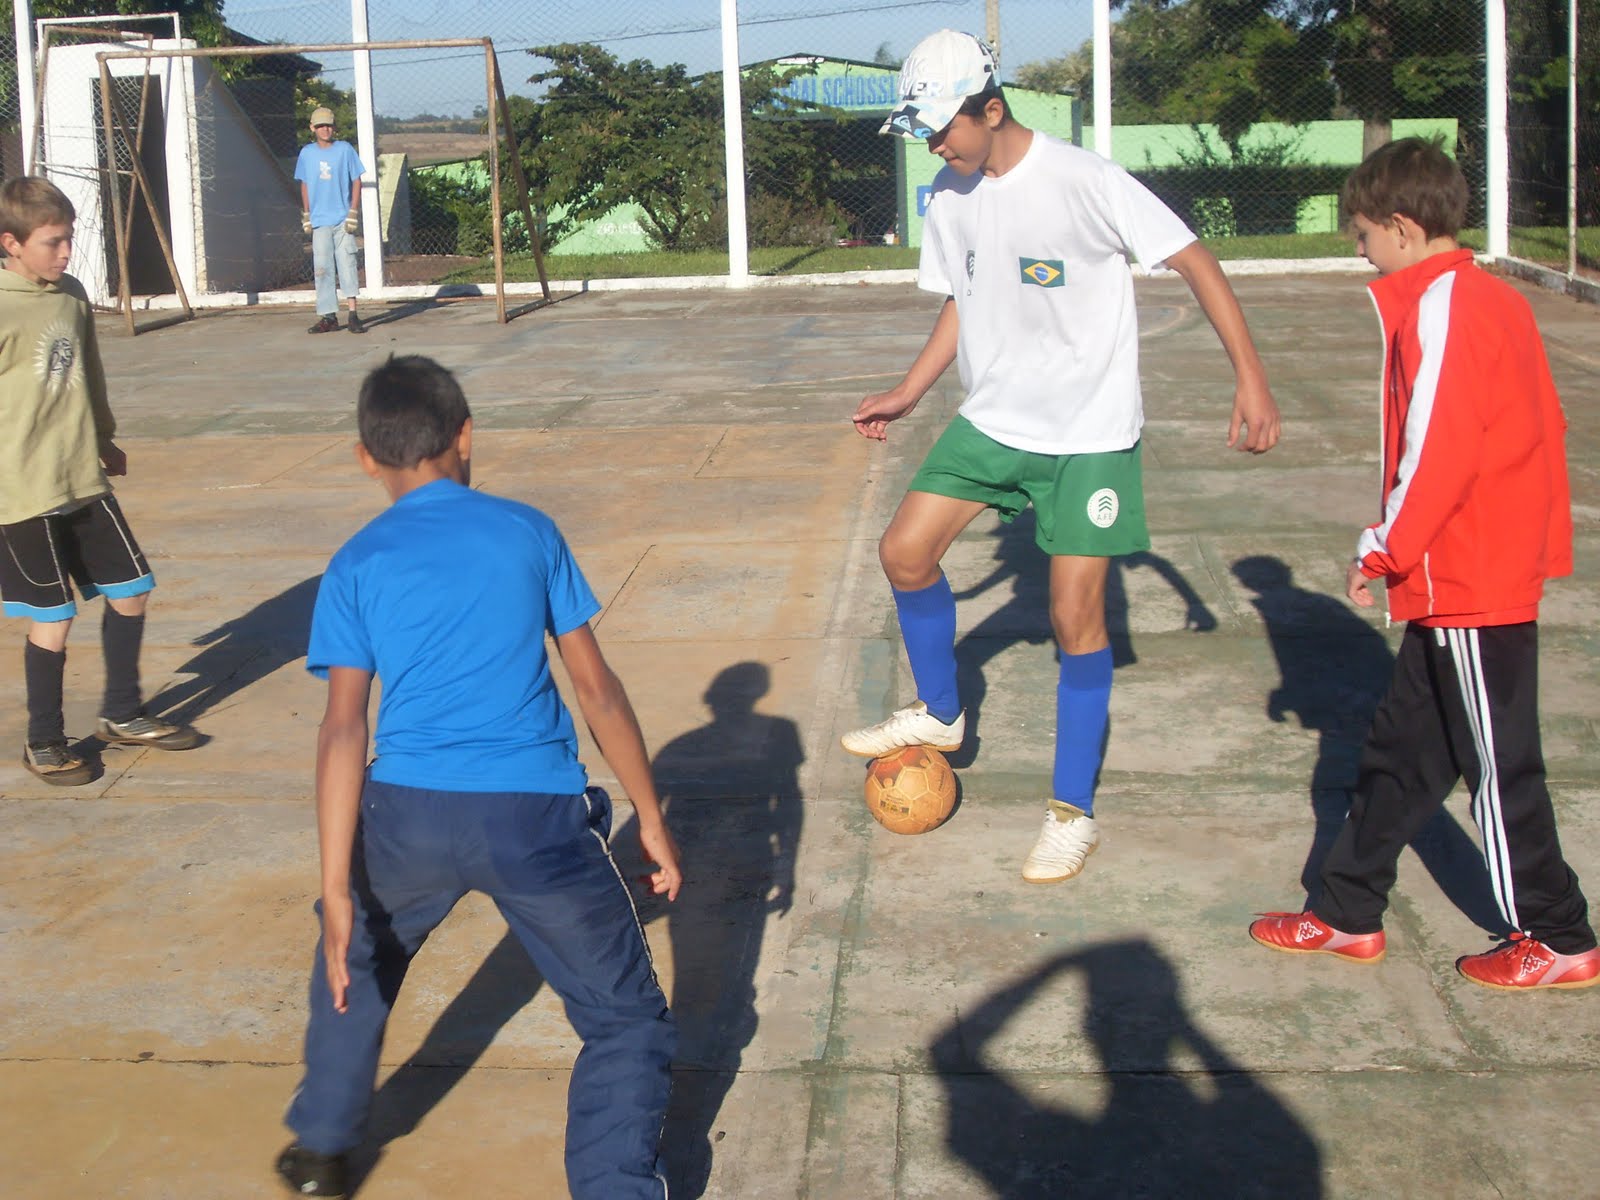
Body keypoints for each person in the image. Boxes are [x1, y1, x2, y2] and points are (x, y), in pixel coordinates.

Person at [843, 30, 1280, 883]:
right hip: (995, 421)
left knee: (1075, 619)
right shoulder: (950, 191)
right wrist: (908, 390)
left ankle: (1070, 812)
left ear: (992, 110)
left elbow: (1195, 260)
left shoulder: (1086, 181)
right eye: (925, 132)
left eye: (943, 129)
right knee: (904, 551)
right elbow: (963, 306)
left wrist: (1251, 380)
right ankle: (941, 714)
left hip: (1088, 436)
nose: (934, 145)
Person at [275, 356, 681, 1198]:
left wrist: (336, 890)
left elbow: (343, 726)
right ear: (466, 436)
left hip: (405, 818)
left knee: (355, 955)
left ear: (364, 457)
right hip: (533, 819)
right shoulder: (528, 530)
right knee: (623, 1018)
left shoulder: (354, 562)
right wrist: (648, 812)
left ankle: (320, 1147)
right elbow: (595, 688)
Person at [1249, 138, 1598, 991]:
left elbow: (1439, 447)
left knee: (1497, 763)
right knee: (1403, 753)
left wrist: (1385, 546)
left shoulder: (1449, 305)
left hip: (1471, 571)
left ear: (1403, 228)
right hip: (1464, 572)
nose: (1359, 251)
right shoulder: (1485, 297)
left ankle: (1556, 933)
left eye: (1363, 235)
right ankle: (1344, 911)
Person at [0, 176, 200, 786]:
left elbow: (89, 372)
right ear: (11, 243)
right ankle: (44, 741)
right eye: (52, 243)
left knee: (132, 587)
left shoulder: (73, 295)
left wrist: (105, 437)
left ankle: (121, 713)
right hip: (20, 489)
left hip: (80, 473)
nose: (65, 254)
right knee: (54, 616)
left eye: (69, 240)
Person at [294, 106, 366, 335]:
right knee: (323, 268)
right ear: (312, 128)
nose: (325, 130)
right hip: (319, 220)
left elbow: (356, 180)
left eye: (328, 125)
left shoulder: (344, 150)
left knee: (347, 263)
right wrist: (306, 213)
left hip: (342, 219)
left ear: (333, 127)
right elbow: (304, 183)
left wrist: (353, 211)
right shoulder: (307, 153)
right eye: (320, 126)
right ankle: (328, 316)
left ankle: (353, 313)